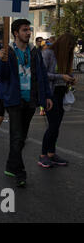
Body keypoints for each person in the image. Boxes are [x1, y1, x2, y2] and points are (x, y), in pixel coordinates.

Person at [0, 19, 53, 187]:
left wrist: (47, 96)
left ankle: (10, 164)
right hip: (14, 99)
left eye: (29, 29)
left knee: (22, 138)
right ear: (16, 33)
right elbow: (2, 76)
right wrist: (1, 60)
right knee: (17, 136)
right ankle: (20, 172)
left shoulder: (34, 51)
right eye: (24, 30)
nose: (28, 33)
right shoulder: (9, 51)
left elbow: (42, 74)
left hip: (31, 100)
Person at [38, 33, 77, 168]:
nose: (70, 50)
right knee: (53, 126)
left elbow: (66, 73)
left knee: (56, 126)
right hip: (50, 94)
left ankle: (51, 154)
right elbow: (42, 74)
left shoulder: (66, 56)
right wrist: (62, 77)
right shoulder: (48, 53)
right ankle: (43, 155)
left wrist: (71, 78)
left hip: (61, 94)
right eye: (69, 47)